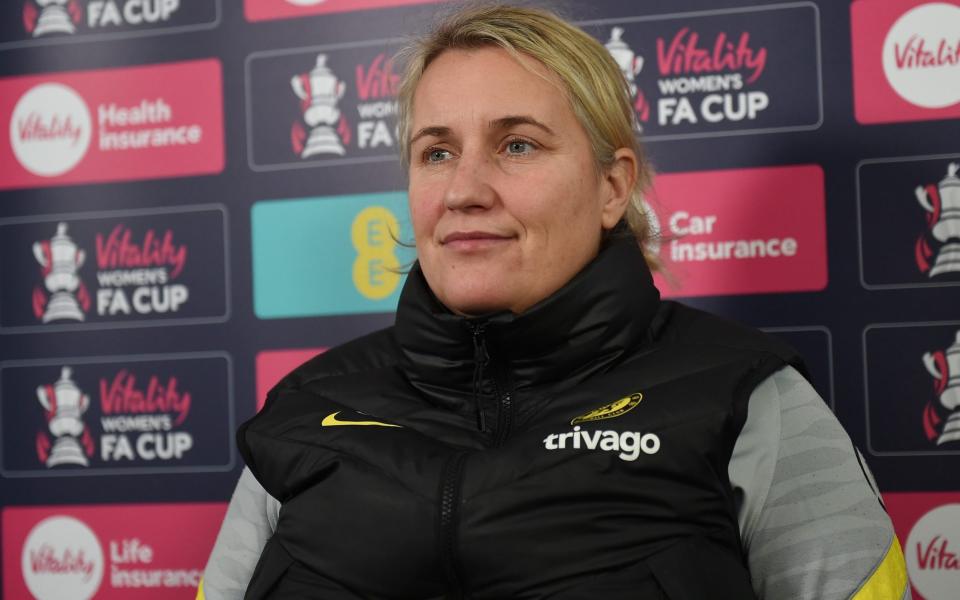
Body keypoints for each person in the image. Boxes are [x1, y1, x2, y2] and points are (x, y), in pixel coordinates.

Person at [198, 5, 909, 599]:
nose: (464, 189)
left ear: (612, 186)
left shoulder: (748, 399)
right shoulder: (305, 407)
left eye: (517, 145)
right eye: (436, 153)